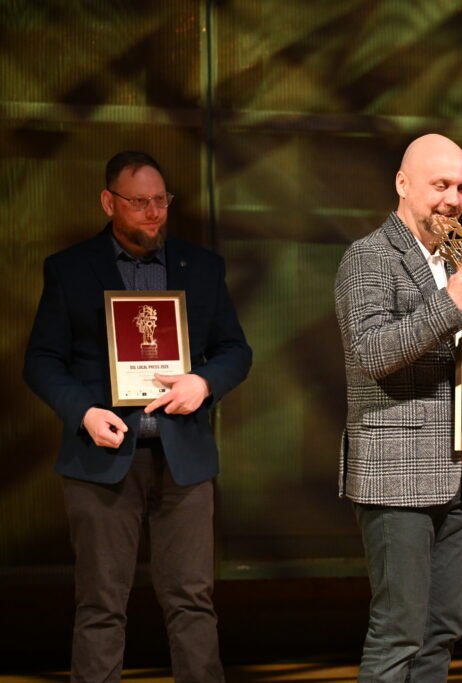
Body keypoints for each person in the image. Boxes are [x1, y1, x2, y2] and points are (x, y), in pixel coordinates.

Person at [23, 151, 252, 682]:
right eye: (140, 202)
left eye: (161, 201)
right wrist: (83, 411)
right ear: (109, 202)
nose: (154, 213)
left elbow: (235, 351)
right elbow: (41, 361)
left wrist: (203, 383)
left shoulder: (202, 266)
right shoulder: (69, 269)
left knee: (192, 600)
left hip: (183, 459)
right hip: (102, 457)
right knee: (101, 604)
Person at [334, 134, 462, 682]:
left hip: (460, 475)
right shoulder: (368, 257)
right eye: (441, 185)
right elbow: (372, 353)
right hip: (396, 476)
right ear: (403, 183)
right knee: (399, 633)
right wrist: (450, 303)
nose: (453, 199)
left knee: (441, 632)